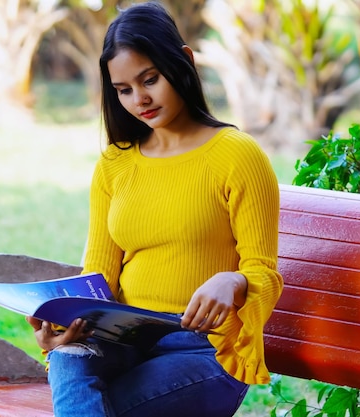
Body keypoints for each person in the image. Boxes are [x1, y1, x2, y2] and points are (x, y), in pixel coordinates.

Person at [26, 2, 283, 416]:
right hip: (122, 336)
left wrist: (231, 281)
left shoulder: (237, 156)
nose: (139, 99)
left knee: (103, 406)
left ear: (183, 61)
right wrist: (62, 329)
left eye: (150, 80)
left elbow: (263, 273)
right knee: (68, 359)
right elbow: (99, 276)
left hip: (203, 346)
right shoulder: (116, 163)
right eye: (123, 90)